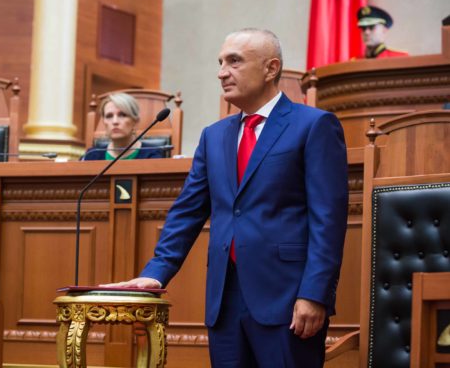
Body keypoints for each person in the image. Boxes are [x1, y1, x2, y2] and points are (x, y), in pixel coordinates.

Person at [103, 28, 349, 367]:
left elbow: (328, 219)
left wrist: (314, 293)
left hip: (288, 298)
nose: (221, 72)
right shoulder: (214, 136)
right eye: (220, 62)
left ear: (271, 68)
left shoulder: (314, 125)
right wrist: (157, 272)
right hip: (225, 301)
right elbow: (187, 212)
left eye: (234, 61)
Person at [82, 93, 164, 160]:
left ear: (135, 121)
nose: (115, 121)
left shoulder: (151, 155)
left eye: (122, 115)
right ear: (104, 122)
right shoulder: (92, 155)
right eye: (109, 116)